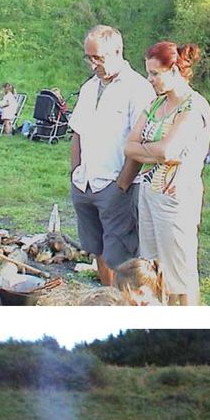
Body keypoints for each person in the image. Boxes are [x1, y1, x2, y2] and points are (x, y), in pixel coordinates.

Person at [125, 41, 210, 305]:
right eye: (148, 73)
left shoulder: (193, 106)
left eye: (155, 74)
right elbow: (129, 147)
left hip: (176, 197)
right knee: (153, 271)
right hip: (149, 193)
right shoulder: (155, 104)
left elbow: (169, 150)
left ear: (174, 70)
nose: (149, 79)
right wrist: (158, 151)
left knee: (180, 275)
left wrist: (150, 150)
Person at [68, 25, 151, 285]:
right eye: (88, 58)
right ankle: (106, 298)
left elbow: (141, 142)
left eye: (98, 58)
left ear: (117, 52)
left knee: (121, 256)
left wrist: (122, 185)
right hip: (85, 183)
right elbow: (77, 132)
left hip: (117, 184)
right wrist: (74, 174)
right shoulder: (89, 88)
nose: (93, 64)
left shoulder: (137, 88)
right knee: (98, 250)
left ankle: (124, 306)